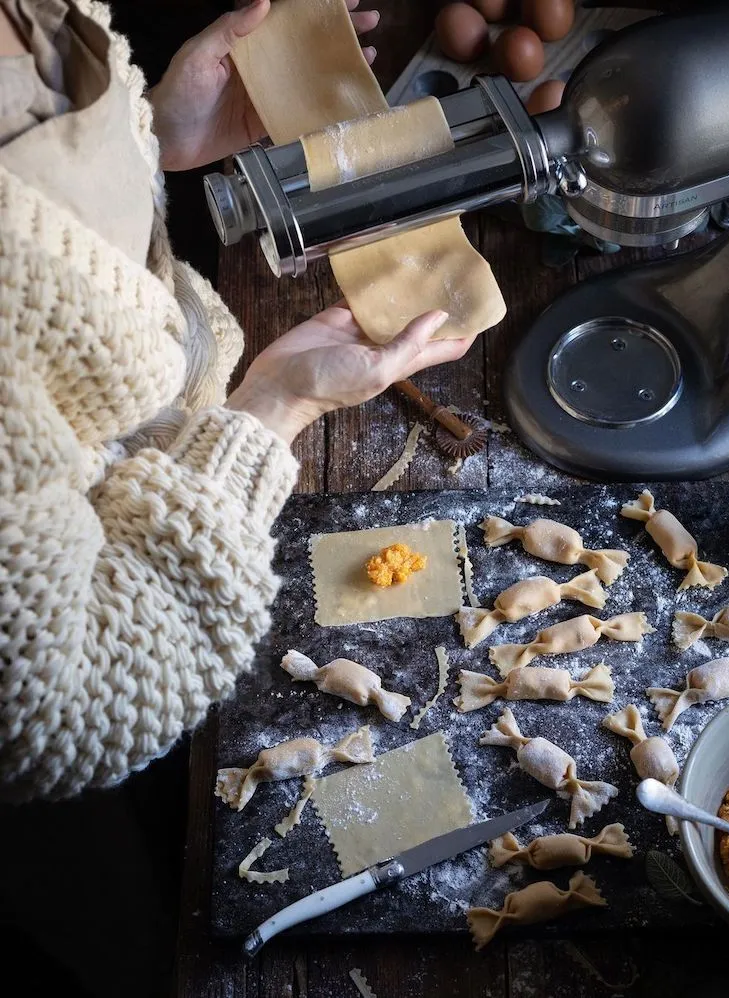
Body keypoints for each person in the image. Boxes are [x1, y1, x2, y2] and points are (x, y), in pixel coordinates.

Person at [0, 0, 476, 804]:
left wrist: (152, 135)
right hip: (115, 751)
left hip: (169, 433)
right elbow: (59, 703)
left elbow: (52, 248)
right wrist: (274, 408)